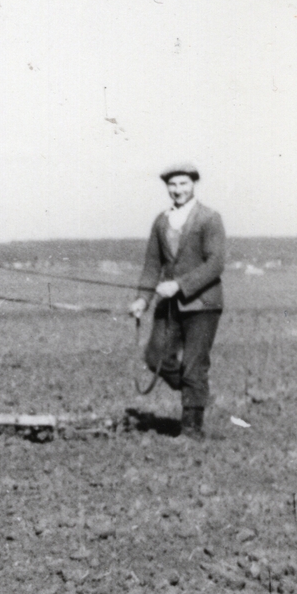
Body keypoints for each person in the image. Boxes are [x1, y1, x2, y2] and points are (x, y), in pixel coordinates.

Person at [129, 162, 225, 440]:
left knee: (195, 364)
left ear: (193, 184)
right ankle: (195, 394)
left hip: (203, 304)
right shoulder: (161, 221)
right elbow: (152, 265)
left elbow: (215, 263)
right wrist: (142, 300)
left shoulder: (209, 218)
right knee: (154, 356)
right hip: (168, 305)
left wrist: (180, 285)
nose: (177, 189)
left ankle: (191, 430)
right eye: (172, 185)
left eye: (183, 183)